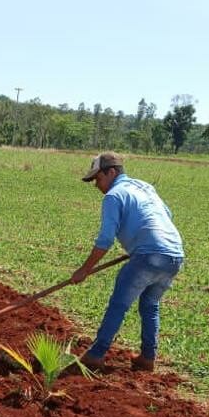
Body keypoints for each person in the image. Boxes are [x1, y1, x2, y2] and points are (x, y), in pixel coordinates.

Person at [70, 152, 184, 372]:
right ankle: (147, 358)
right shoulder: (144, 187)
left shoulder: (114, 195)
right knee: (150, 305)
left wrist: (84, 270)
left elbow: (105, 240)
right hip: (175, 255)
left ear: (111, 172)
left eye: (98, 179)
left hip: (149, 255)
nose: (96, 185)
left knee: (119, 304)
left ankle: (95, 354)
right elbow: (167, 214)